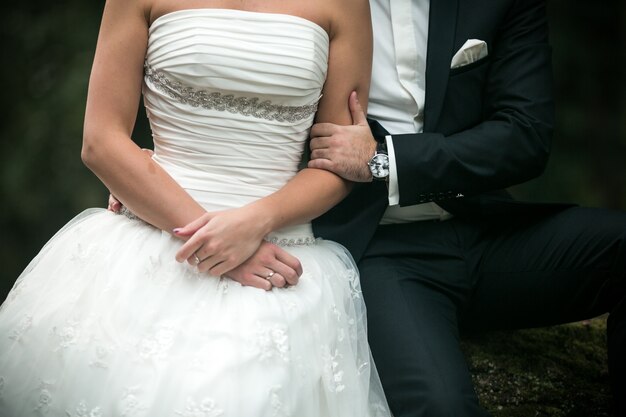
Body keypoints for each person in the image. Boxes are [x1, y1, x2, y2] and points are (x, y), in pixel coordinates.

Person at [0, 0, 393, 416]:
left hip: (280, 253)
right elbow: (101, 141)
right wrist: (214, 242)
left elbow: (342, 164)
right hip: (152, 243)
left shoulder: (346, 5)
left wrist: (256, 222)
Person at [303, 0, 625, 416]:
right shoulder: (308, 7)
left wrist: (387, 160)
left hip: (486, 231)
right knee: (440, 405)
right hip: (382, 251)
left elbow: (525, 136)